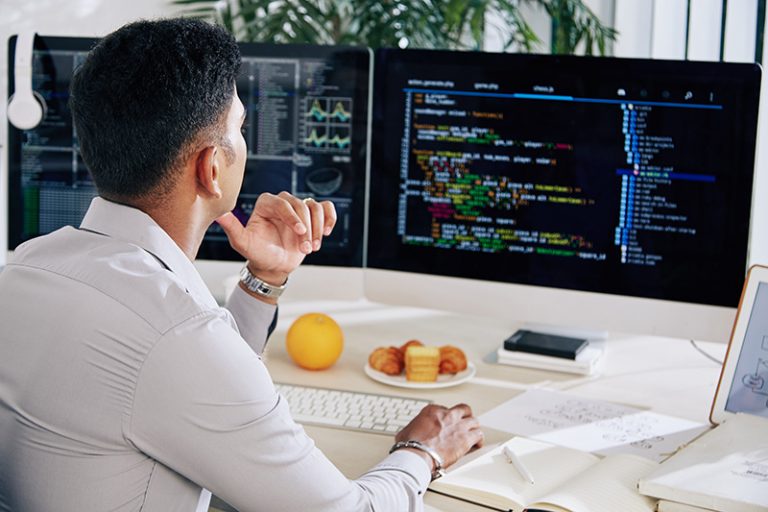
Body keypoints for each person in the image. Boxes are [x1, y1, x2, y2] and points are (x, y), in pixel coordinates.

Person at [0, 18, 483, 512]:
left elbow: (195, 383)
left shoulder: (25, 269)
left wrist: (264, 280)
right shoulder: (174, 336)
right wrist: (422, 450)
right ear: (211, 168)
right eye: (240, 127)